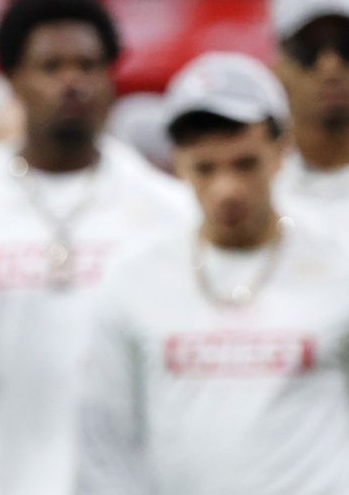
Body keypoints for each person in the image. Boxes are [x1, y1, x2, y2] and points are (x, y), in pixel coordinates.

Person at [0, 0, 193, 495]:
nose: (73, 81)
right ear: (12, 78)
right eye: (51, 67)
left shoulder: (171, 212)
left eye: (88, 65)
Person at [77, 52, 349, 494]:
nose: (226, 189)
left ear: (282, 151)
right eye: (206, 168)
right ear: (178, 162)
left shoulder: (338, 268)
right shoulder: (134, 281)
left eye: (245, 164)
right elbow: (107, 447)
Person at [269, 0, 349, 225]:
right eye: (308, 48)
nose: (330, 67)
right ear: (278, 64)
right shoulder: (257, 187)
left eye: (346, 45)